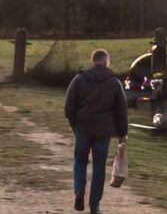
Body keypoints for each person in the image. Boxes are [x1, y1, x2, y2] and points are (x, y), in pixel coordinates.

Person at [64, 49, 128, 213]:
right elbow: (121, 110)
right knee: (99, 167)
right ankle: (95, 205)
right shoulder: (114, 82)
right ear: (106, 61)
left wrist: (74, 124)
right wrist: (122, 134)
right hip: (103, 130)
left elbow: (69, 106)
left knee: (80, 161)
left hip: (83, 127)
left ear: (93, 61)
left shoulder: (79, 79)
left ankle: (79, 191)